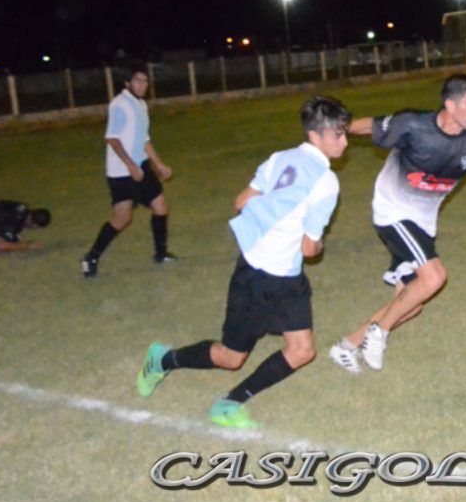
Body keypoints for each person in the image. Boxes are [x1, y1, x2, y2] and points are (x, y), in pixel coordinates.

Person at [136, 96, 350, 429]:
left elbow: (241, 201)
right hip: (260, 279)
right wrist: (316, 240)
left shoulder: (279, 158)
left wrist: (275, 212)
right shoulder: (326, 181)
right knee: (230, 357)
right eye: (338, 134)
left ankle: (230, 403)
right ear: (315, 135)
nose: (345, 141)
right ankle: (163, 359)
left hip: (280, 276)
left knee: (302, 350)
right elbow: (310, 249)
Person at [328, 74, 466, 374]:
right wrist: (335, 128)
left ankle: (346, 346)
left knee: (411, 304)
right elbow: (371, 126)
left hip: (423, 222)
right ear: (451, 105)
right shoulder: (413, 125)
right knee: (434, 277)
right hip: (392, 211)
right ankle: (378, 332)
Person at [81, 65, 176, 278]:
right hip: (121, 171)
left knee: (161, 206)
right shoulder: (119, 105)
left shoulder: (141, 105)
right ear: (127, 83)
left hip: (141, 166)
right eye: (137, 81)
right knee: (123, 217)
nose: (142, 85)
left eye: (145, 81)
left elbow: (144, 139)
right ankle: (91, 257)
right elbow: (112, 138)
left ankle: (161, 254)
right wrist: (130, 166)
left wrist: (159, 164)